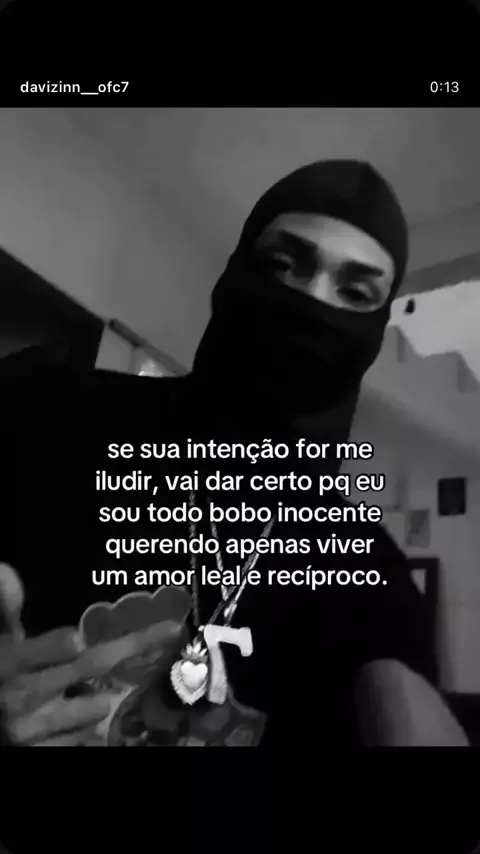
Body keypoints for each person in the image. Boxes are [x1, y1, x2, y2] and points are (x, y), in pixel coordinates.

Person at [0, 159, 469, 748]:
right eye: (282, 265)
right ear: (234, 275)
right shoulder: (41, 411)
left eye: (354, 292)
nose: (308, 304)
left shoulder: (374, 576)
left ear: (374, 331)